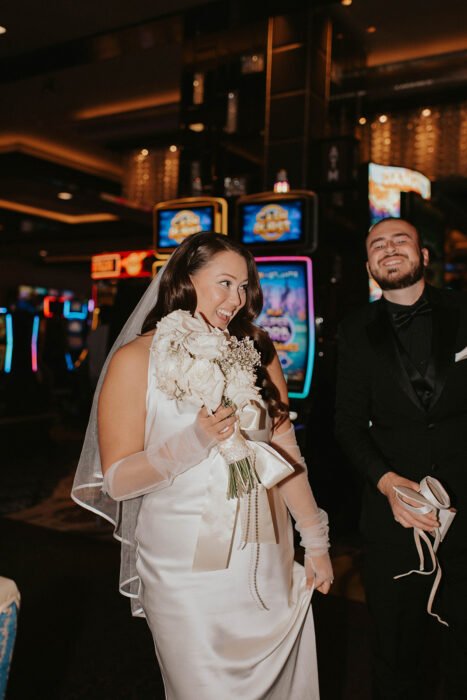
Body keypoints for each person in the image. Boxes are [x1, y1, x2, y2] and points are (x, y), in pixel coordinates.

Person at [72, 232, 333, 699]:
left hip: (264, 556)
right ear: (185, 279)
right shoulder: (135, 360)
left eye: (244, 287)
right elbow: (116, 481)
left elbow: (288, 457)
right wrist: (192, 441)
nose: (236, 299)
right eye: (224, 283)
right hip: (183, 569)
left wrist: (314, 541)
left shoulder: (255, 351)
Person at [335, 217, 467, 698]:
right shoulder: (354, 330)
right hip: (393, 520)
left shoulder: (464, 310)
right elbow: (347, 425)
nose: (389, 250)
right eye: (377, 245)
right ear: (369, 263)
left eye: (400, 240)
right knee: (394, 652)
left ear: (424, 255)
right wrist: (388, 484)